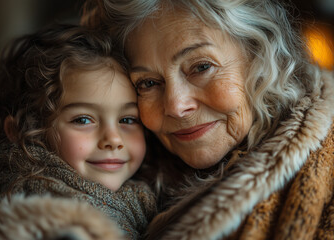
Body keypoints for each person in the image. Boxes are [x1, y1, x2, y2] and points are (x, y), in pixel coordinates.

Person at [81, 0, 334, 239]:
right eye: (148, 83)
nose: (176, 106)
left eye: (201, 67)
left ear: (260, 57)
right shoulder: (115, 176)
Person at [0, 23, 156, 239]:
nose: (113, 139)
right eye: (83, 119)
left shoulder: (144, 197)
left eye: (127, 119)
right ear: (22, 129)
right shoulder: (35, 201)